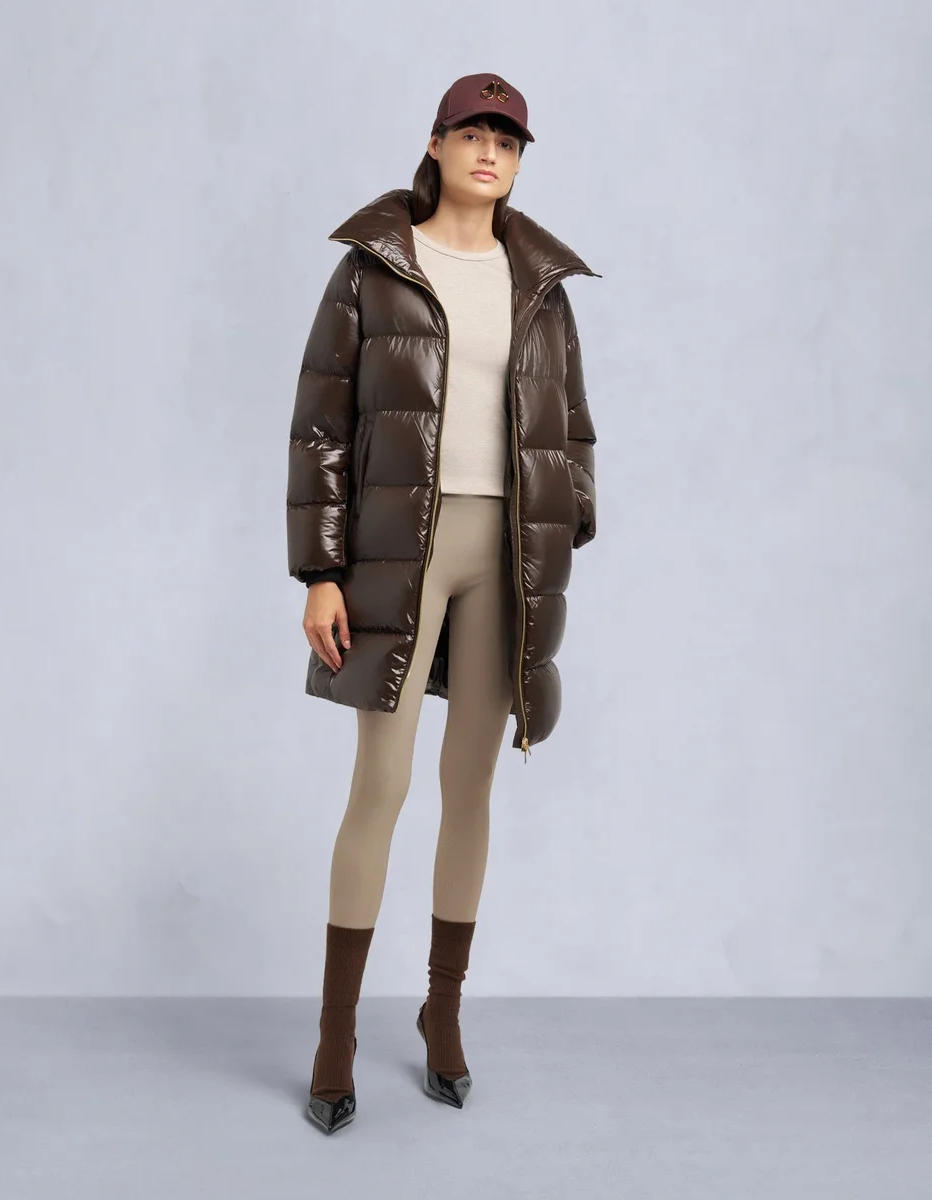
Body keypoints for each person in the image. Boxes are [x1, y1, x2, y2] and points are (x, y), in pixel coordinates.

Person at [285, 73, 601, 1133]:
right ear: (435, 144)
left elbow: (571, 425)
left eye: (506, 140)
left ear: (518, 161)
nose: (488, 152)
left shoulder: (539, 283)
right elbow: (320, 427)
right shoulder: (374, 268)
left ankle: (441, 1010)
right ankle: (336, 1032)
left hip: (506, 553)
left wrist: (565, 525)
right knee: (379, 784)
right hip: (397, 554)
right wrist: (321, 571)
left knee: (470, 786)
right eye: (472, 133)